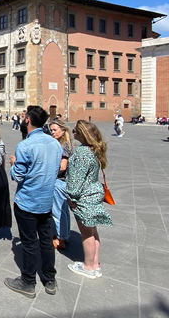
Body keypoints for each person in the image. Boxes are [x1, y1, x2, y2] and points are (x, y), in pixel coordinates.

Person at [4, 106, 62, 298]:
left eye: (24, 117)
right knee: (46, 241)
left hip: (27, 202)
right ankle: (50, 279)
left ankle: (28, 281)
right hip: (46, 201)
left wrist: (13, 165)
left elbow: (18, 176)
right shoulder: (55, 144)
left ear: (28, 120)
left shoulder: (24, 146)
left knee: (29, 242)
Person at [67, 120, 113, 279]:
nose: (73, 133)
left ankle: (88, 267)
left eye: (75, 130)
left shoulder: (82, 153)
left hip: (84, 197)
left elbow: (75, 180)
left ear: (82, 133)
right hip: (94, 193)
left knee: (86, 233)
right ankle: (95, 264)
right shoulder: (94, 150)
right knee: (93, 231)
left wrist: (71, 197)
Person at [49, 121, 74, 250]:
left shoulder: (63, 145)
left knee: (57, 211)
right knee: (63, 211)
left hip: (59, 181)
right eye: (51, 130)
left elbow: (63, 166)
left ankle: (60, 238)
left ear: (63, 130)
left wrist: (49, 174)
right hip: (64, 182)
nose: (52, 132)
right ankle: (65, 235)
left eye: (55, 130)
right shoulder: (66, 143)